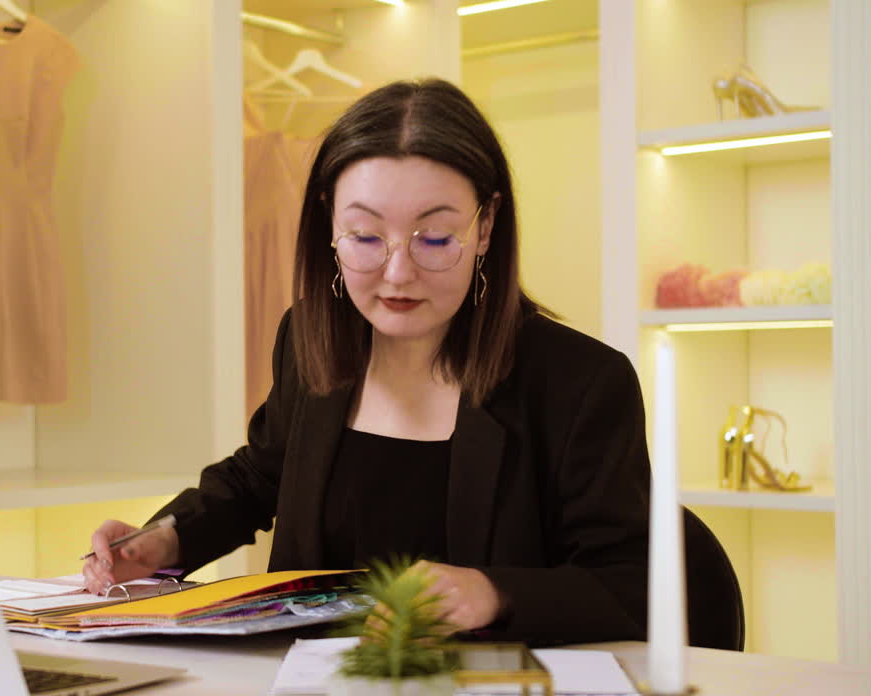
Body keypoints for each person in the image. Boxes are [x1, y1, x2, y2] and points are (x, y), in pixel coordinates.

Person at [82, 78, 650, 646]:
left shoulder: (582, 382)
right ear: (330, 222)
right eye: (365, 235)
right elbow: (261, 474)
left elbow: (629, 585)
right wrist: (165, 541)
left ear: (486, 226)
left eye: (434, 239)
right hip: (312, 690)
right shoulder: (308, 335)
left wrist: (493, 592)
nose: (398, 272)